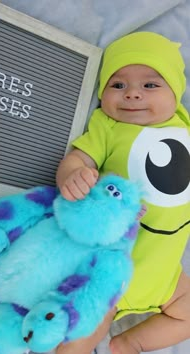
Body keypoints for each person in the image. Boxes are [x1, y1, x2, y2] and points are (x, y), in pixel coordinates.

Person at [55, 31, 190, 354]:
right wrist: (73, 175)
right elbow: (78, 157)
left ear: (176, 92)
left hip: (165, 275)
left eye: (150, 85)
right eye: (118, 85)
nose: (132, 94)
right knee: (81, 336)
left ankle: (130, 343)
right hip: (109, 270)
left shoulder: (184, 127)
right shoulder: (109, 127)